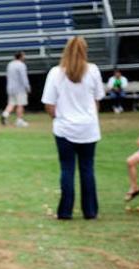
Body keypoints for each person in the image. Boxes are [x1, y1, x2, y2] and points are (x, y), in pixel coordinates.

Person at [41, 36, 105, 220]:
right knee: (87, 169)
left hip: (65, 130)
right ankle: (90, 211)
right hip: (88, 129)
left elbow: (49, 104)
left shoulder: (55, 73)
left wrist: (60, 118)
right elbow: (97, 100)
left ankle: (65, 211)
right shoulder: (93, 71)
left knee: (67, 170)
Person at [1, 52, 30, 127]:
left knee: (11, 103)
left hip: (10, 88)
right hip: (19, 88)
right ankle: (19, 121)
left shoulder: (10, 64)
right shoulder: (21, 65)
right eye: (24, 56)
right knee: (20, 104)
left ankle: (5, 115)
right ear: (20, 57)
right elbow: (23, 77)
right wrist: (27, 87)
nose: (25, 57)